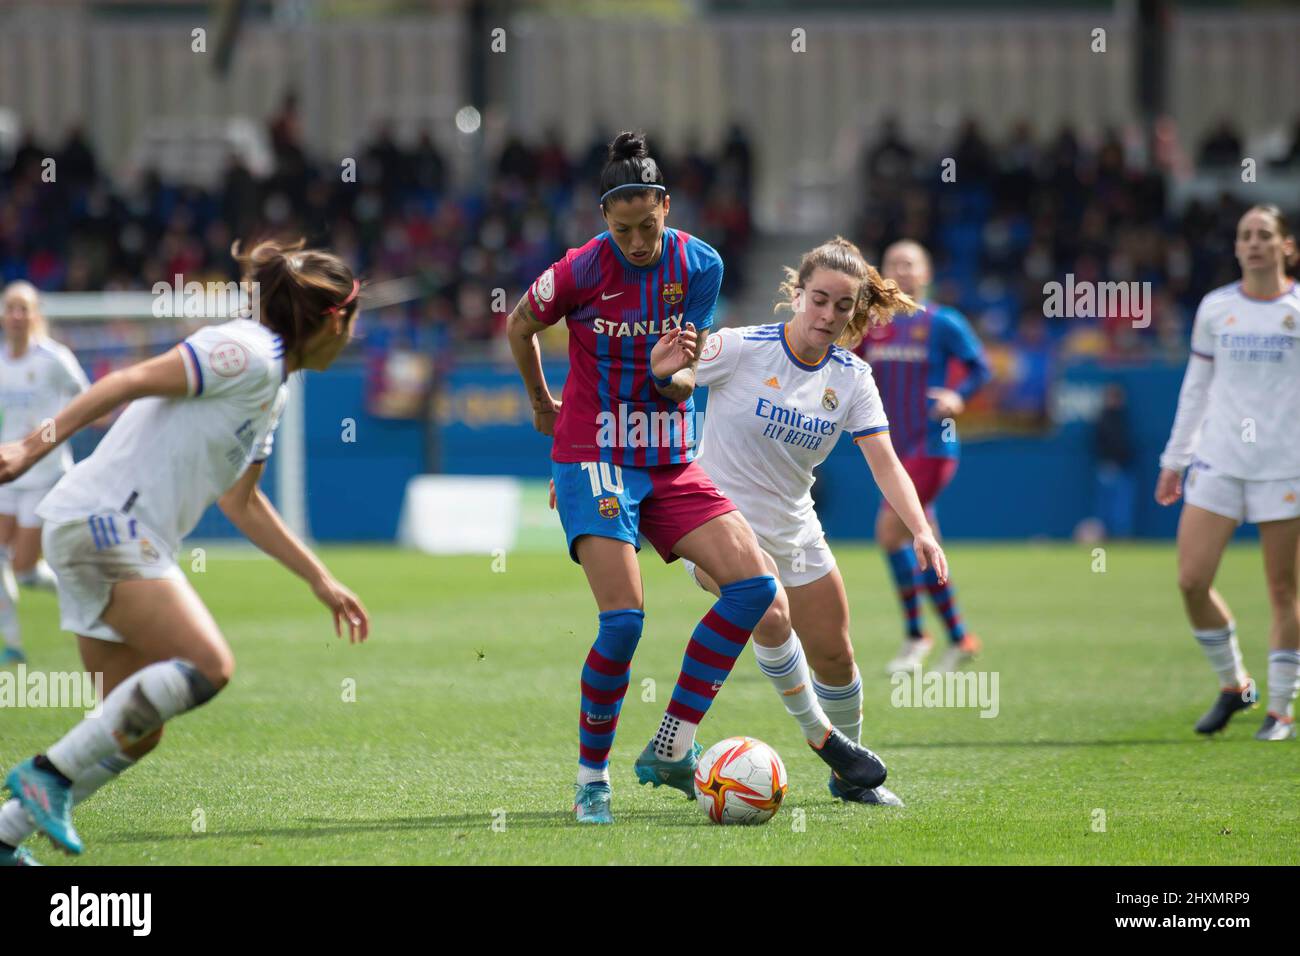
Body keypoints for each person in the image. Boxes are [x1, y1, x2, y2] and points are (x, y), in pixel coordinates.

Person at [507, 132, 885, 825]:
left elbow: (684, 372)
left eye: (648, 225)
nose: (638, 241)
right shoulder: (579, 270)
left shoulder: (698, 264)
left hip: (668, 458)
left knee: (755, 588)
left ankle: (672, 744)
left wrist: (673, 381)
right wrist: (540, 403)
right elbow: (519, 323)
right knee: (623, 623)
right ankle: (592, 780)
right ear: (603, 219)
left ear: (666, 206)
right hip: (594, 454)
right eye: (622, 229)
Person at [0, 239, 371, 866]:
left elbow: (241, 502)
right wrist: (29, 448)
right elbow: (127, 380)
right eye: (355, 323)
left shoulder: (272, 387)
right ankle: (48, 776)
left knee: (136, 732)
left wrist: (319, 579)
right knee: (210, 665)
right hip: (105, 522)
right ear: (334, 320)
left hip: (99, 532)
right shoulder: (247, 352)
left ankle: (5, 835)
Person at [689, 236, 948, 806]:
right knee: (766, 608)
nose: (829, 315)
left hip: (796, 529)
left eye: (843, 306)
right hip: (718, 527)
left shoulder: (853, 377)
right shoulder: (738, 348)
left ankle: (848, 779)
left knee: (835, 655)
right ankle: (822, 737)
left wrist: (921, 528)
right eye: (819, 300)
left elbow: (886, 462)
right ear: (797, 294)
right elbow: (660, 384)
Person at [1156, 204, 1299, 741]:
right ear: (1237, 247)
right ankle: (1235, 684)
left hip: (1285, 466)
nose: (1255, 243)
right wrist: (1175, 460)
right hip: (1218, 462)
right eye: (1246, 235)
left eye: (1266, 235)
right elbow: (1196, 389)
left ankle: (1281, 709)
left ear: (1288, 247)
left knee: (1282, 591)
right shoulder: (1217, 309)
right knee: (1192, 581)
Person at [856, 240, 990, 674]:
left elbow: (980, 367)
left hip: (933, 446)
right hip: (893, 449)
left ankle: (916, 635)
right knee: (924, 544)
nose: (902, 269)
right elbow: (842, 362)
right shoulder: (873, 326)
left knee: (889, 534)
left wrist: (957, 394)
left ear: (926, 274)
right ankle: (959, 637)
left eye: (910, 263)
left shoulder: (942, 322)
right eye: (894, 262)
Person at [0, 281, 91, 665]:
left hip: (43, 472)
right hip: (7, 473)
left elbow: (87, 400)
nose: (18, 316)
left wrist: (46, 435)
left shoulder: (54, 359)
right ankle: (12, 644)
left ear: (36, 315)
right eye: (11, 308)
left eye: (25, 309)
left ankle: (83, 593)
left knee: (23, 569)